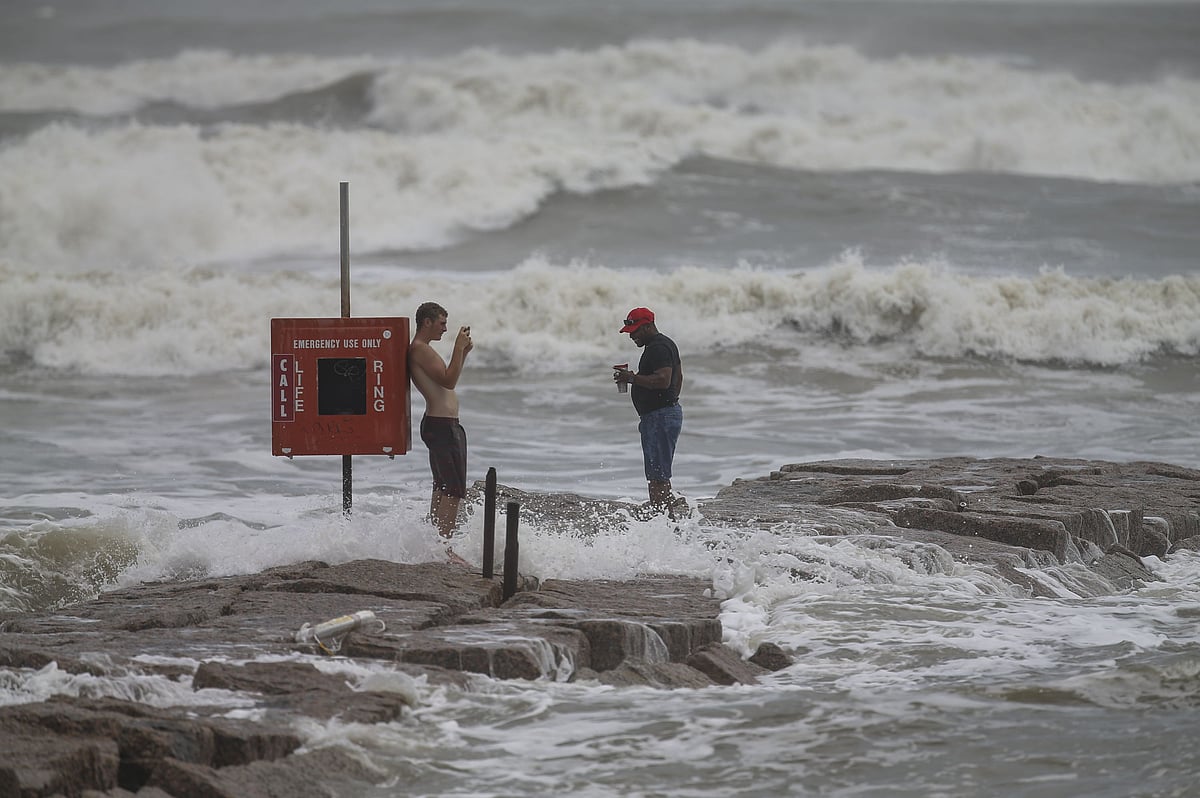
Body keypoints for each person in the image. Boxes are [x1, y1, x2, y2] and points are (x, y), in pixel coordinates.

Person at [408, 301, 473, 540]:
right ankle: (443, 546)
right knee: (453, 490)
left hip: (441, 424)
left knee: (443, 486)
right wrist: (457, 348)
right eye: (442, 323)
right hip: (441, 425)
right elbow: (449, 380)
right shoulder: (420, 348)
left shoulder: (421, 348)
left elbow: (447, 379)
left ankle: (435, 540)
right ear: (427, 322)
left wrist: (463, 353)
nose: (445, 329)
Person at [613, 307, 684, 518]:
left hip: (659, 417)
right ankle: (665, 518)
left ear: (647, 326)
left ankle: (662, 521)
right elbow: (678, 378)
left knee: (657, 477)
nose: (632, 336)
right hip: (662, 415)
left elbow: (664, 380)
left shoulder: (658, 348)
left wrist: (632, 379)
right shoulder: (665, 344)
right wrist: (671, 401)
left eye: (635, 330)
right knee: (658, 474)